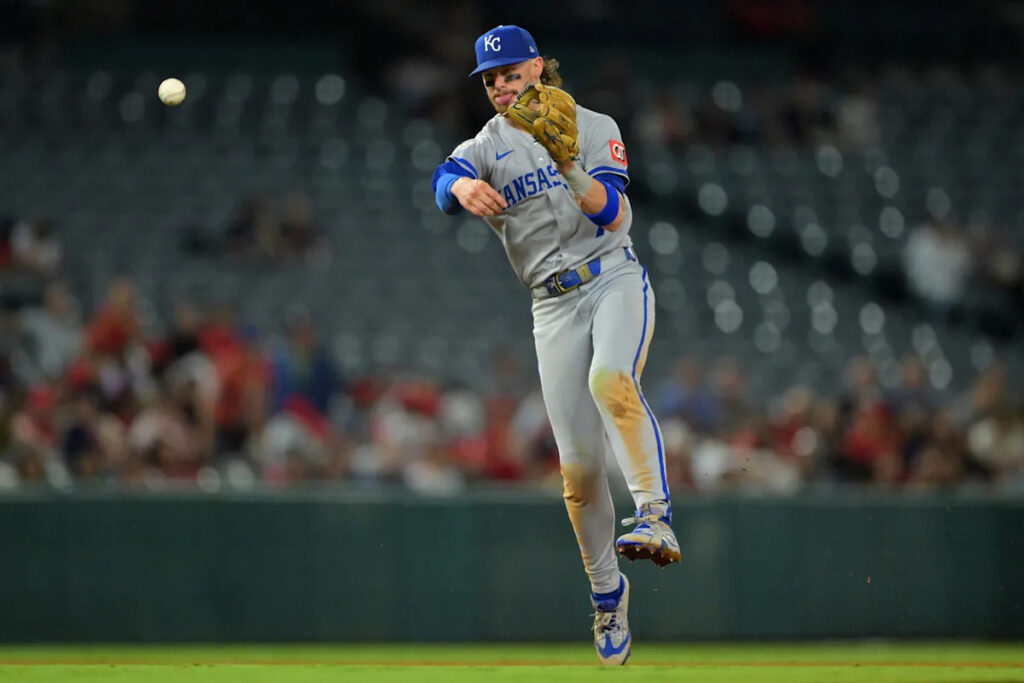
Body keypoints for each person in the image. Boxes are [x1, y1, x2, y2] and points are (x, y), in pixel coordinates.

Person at [431, 25, 679, 665]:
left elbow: (615, 215)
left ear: (539, 67)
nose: (501, 87)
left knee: (610, 381)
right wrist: (460, 188)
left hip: (613, 277)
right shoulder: (487, 144)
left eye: (511, 73)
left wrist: (568, 163)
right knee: (577, 470)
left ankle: (653, 511)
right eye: (491, 80)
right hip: (551, 306)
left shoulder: (593, 126)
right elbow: (442, 179)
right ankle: (606, 597)